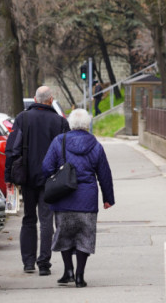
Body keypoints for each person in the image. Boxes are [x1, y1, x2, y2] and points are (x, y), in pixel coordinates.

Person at [42, 108, 115, 288]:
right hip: (87, 199)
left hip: (63, 197)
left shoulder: (59, 141)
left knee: (64, 234)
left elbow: (46, 167)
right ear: (87, 125)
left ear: (70, 124)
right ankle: (80, 277)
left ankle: (68, 271)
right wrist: (108, 198)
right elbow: (104, 173)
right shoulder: (96, 145)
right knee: (85, 237)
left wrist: (56, 177)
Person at [5, 86, 70, 275]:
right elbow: (65, 153)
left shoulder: (23, 119)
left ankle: (28, 262)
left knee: (28, 219)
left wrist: (8, 176)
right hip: (51, 179)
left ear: (35, 99)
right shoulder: (59, 122)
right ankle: (44, 263)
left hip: (26, 176)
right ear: (51, 100)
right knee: (46, 220)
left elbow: (12, 149)